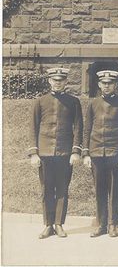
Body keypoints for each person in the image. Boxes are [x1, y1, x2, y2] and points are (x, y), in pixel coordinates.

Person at [29, 67, 83, 239]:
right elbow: (33, 128)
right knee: (46, 189)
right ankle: (48, 225)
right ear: (49, 81)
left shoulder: (73, 102)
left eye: (61, 80)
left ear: (66, 82)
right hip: (44, 153)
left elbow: (78, 128)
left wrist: (75, 151)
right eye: (55, 80)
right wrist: (34, 153)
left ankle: (58, 224)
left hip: (64, 153)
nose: (58, 83)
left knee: (62, 189)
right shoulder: (40, 101)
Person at [82, 70, 118, 238]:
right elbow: (87, 129)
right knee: (100, 190)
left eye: (110, 83)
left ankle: (112, 224)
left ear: (115, 85)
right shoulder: (93, 103)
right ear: (99, 84)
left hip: (114, 153)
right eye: (104, 83)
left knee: (114, 189)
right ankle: (101, 224)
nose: (107, 86)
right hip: (96, 153)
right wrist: (86, 153)